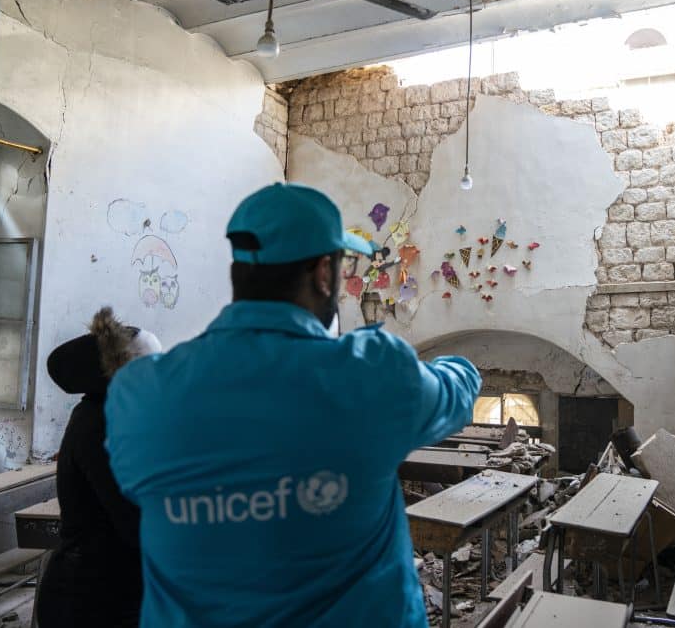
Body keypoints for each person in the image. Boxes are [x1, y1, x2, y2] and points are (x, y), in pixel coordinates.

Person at [104, 183, 481, 627]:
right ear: (324, 272)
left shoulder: (139, 395)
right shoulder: (371, 374)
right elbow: (459, 388)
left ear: (238, 270)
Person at [38, 307, 163, 628]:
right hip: (89, 598)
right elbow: (133, 518)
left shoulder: (113, 416)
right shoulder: (102, 425)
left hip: (112, 590)